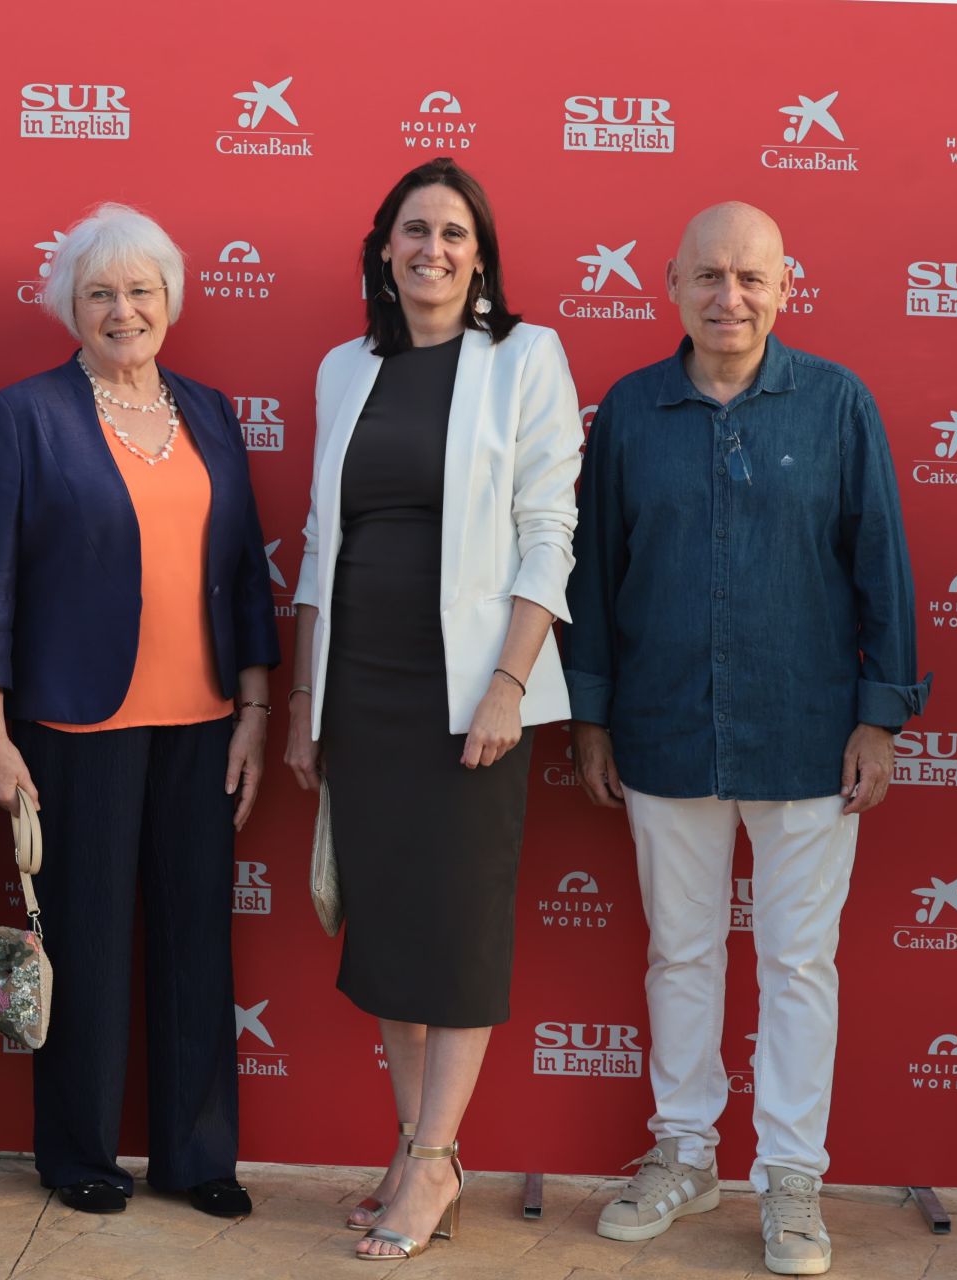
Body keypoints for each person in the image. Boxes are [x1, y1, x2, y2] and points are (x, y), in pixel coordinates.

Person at [565, 202, 930, 1278]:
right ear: (671, 282)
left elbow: (885, 566)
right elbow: (592, 571)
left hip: (810, 732)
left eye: (751, 278)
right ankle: (683, 1152)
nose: (730, 296)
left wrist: (882, 713)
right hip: (663, 726)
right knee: (678, 948)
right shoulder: (631, 412)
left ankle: (792, 1179)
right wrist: (591, 710)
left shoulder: (837, 404)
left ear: (785, 287)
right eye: (710, 276)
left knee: (798, 961)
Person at [283, 157, 585, 1262]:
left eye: (456, 234)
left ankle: (437, 1161)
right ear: (384, 247)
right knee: (389, 930)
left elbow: (551, 529)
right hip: (361, 684)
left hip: (470, 696)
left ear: (481, 254)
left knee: (453, 933)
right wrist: (305, 695)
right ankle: (419, 1147)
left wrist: (508, 680)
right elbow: (323, 544)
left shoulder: (526, 358)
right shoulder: (343, 368)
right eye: (416, 230)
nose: (434, 250)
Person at [0, 202, 279, 1220]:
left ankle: (197, 1152)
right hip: (74, 725)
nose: (123, 309)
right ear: (71, 306)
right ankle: (80, 1149)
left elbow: (244, 566)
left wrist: (258, 706)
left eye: (142, 290)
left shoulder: (213, 412)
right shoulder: (25, 414)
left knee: (196, 939)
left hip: (203, 722)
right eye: (101, 292)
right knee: (84, 941)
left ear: (172, 302)